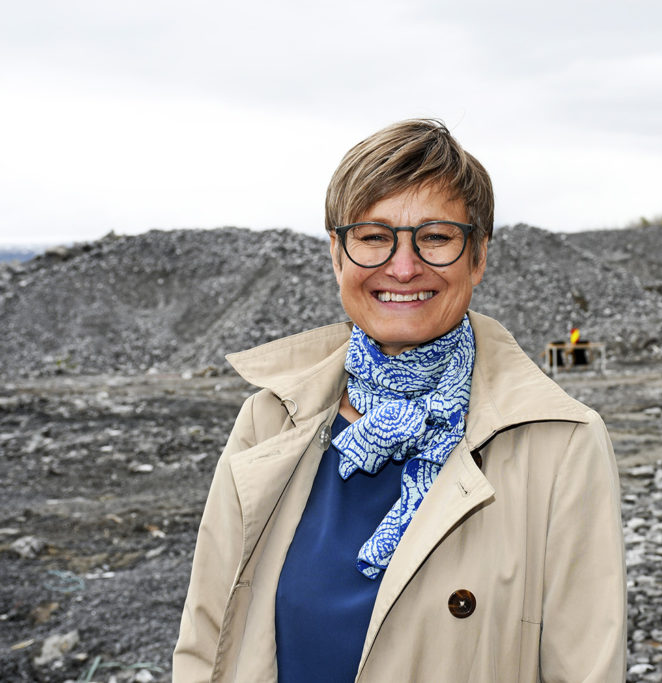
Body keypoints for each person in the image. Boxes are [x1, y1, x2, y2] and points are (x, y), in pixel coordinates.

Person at [173, 119, 626, 682]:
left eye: (435, 237)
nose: (404, 267)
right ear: (337, 254)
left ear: (478, 256)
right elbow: (207, 645)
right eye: (372, 236)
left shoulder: (559, 442)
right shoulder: (268, 420)